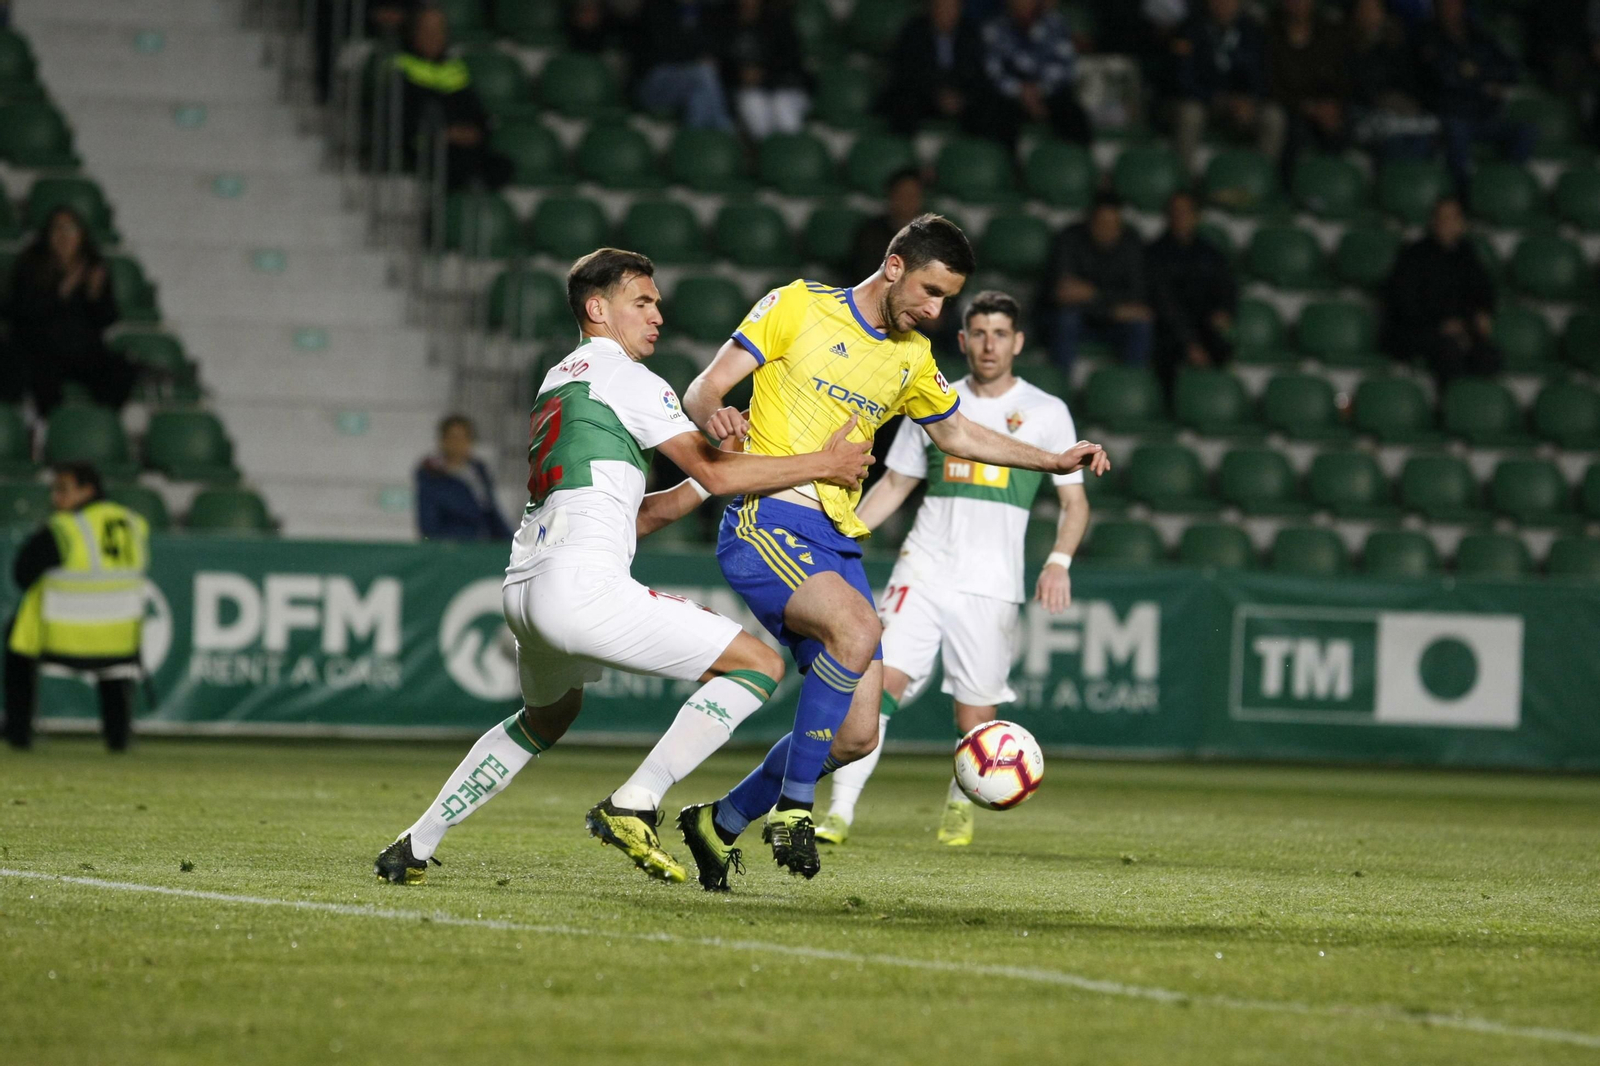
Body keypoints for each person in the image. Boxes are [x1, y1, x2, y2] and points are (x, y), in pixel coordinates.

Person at [373, 248, 874, 885]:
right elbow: (716, 472)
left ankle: (415, 843)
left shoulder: (561, 379)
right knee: (760, 664)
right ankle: (635, 800)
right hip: (580, 588)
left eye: (657, 302)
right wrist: (822, 465)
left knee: (546, 717)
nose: (658, 315)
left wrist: (713, 470)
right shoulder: (627, 378)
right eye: (642, 301)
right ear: (597, 309)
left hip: (525, 587)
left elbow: (640, 517)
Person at [666, 215, 1110, 892]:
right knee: (861, 628)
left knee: (856, 737)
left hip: (834, 538)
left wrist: (1051, 459)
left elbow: (958, 433)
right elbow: (703, 387)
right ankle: (792, 809)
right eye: (931, 292)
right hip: (769, 518)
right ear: (895, 266)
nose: (936, 311)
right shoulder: (798, 306)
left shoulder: (910, 357)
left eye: (947, 301)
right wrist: (715, 413)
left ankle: (718, 822)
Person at [815, 290, 1090, 848]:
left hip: (991, 582)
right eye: (979, 334)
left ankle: (960, 806)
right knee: (879, 685)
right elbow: (894, 484)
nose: (989, 345)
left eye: (1000, 334)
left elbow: (1074, 502)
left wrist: (1059, 561)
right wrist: (840, 536)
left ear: (1018, 342)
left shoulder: (1047, 411)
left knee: (976, 718)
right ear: (962, 341)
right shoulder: (934, 400)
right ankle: (839, 812)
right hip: (925, 567)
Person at [3, 462, 149, 752]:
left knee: (17, 637)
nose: (56, 498)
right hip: (121, 639)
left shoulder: (65, 528)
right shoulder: (133, 523)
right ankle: (118, 737)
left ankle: (18, 732)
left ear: (87, 490)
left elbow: (22, 574)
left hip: (63, 636)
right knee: (114, 672)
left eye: (63, 490)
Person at [1, 208, 134, 414]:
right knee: (32, 370)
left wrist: (94, 296)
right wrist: (61, 292)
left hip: (78, 350)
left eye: (70, 229)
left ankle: (103, 425)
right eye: (57, 229)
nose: (64, 236)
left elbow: (107, 320)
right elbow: (18, 313)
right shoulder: (31, 265)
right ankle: (44, 427)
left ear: (81, 235)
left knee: (119, 370)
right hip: (37, 349)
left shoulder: (92, 269)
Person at [1382, 197, 1501, 388]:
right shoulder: (1415, 254)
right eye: (1443, 218)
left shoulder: (1467, 255)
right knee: (1449, 351)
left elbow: (1483, 293)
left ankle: (1481, 412)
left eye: (1453, 218)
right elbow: (1404, 304)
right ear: (1433, 221)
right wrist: (1441, 326)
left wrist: (1480, 315)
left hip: (1460, 329)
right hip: (1420, 331)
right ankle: (1451, 409)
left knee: (1488, 354)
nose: (1447, 224)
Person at [1416, 0, 1534, 193]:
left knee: (1526, 131)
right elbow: (1443, 78)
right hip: (1451, 115)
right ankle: (1464, 195)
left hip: (1485, 115)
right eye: (1445, 4)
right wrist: (1483, 84)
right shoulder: (1428, 36)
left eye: (1455, 3)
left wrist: (1476, 76)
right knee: (1456, 132)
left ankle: (1502, 186)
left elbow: (1511, 70)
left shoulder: (1478, 35)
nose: (1450, 8)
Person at [390, 6, 511, 191]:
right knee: (455, 164)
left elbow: (476, 113)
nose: (434, 37)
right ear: (413, 33)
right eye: (427, 30)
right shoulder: (400, 67)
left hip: (459, 147)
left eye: (439, 30)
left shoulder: (455, 69)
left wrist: (473, 132)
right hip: (423, 148)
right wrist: (442, 134)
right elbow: (401, 119)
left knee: (500, 165)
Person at [1170, 0, 1284, 177]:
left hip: (1243, 104)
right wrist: (1216, 99)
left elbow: (1263, 76)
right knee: (1190, 114)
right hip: (1206, 102)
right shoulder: (1191, 28)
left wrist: (1250, 100)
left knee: (1274, 117)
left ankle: (1262, 180)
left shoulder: (1252, 31)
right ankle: (1182, 181)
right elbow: (1183, 79)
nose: (1223, 4)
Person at [1042, 194, 1155, 371]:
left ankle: (1130, 388)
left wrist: (1093, 294)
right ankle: (1060, 386)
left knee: (1141, 324)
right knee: (1066, 320)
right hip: (1079, 320)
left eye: (1114, 224)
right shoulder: (1069, 239)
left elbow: (1137, 295)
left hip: (1113, 322)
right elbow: (1062, 294)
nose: (1108, 229)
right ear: (1090, 221)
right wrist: (1112, 307)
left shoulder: (1131, 243)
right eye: (1102, 223)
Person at [1147, 189, 1237, 401]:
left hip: (1203, 324)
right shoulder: (1155, 254)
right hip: (1168, 329)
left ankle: (1214, 405)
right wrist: (1189, 343)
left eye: (1186, 212)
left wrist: (1225, 311)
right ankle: (1170, 408)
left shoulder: (1209, 252)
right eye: (1175, 212)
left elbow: (1227, 287)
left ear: (1196, 216)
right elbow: (1165, 304)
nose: (1181, 217)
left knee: (1223, 346)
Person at [978, 0, 1092, 147]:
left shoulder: (1054, 24)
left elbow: (1064, 68)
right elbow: (992, 70)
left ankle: (1077, 163)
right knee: (993, 112)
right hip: (1010, 96)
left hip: (1048, 93)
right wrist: (1021, 91)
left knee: (1073, 114)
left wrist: (1038, 91)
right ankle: (1007, 166)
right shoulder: (995, 28)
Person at [1265, 0, 1349, 178]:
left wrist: (1330, 106)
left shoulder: (1328, 33)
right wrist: (1307, 107)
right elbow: (1269, 85)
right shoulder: (1270, 33)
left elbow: (1340, 78)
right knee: (1294, 133)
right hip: (1289, 108)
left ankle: (1335, 191)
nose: (1298, 4)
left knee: (1341, 129)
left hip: (1323, 109)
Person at [1347, 0, 1438, 162]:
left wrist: (1407, 101)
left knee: (1422, 138)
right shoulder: (1348, 46)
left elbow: (1410, 81)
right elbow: (1357, 87)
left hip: (1401, 113)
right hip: (1365, 113)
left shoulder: (1396, 44)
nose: (1370, 15)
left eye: (1374, 9)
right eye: (1364, 9)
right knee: (1394, 141)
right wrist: (1381, 99)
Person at [882, 0, 989, 137]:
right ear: (931, 8)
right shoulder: (914, 31)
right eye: (942, 7)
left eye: (952, 8)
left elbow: (977, 74)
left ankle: (974, 153)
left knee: (987, 107)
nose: (947, 13)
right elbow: (908, 72)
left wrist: (961, 98)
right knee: (903, 103)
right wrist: (938, 95)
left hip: (960, 98)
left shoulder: (970, 33)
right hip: (924, 95)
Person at [632, 0, 736, 132]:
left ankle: (691, 145)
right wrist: (697, 57)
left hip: (690, 83)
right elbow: (665, 49)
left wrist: (699, 56)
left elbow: (717, 47)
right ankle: (726, 131)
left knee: (698, 98)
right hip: (653, 83)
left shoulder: (707, 11)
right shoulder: (657, 8)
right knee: (704, 73)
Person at [415, 414, 513, 542]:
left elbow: (491, 511)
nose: (458, 444)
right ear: (443, 441)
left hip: (479, 545)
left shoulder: (478, 471)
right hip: (451, 547)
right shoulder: (431, 475)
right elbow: (429, 523)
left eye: (464, 438)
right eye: (454, 438)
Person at [721, 0, 810, 140]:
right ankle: (769, 154)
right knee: (752, 103)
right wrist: (741, 76)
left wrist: (763, 74)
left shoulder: (778, 21)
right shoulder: (726, 23)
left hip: (785, 87)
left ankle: (793, 152)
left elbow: (792, 62)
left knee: (782, 106)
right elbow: (722, 65)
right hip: (747, 90)